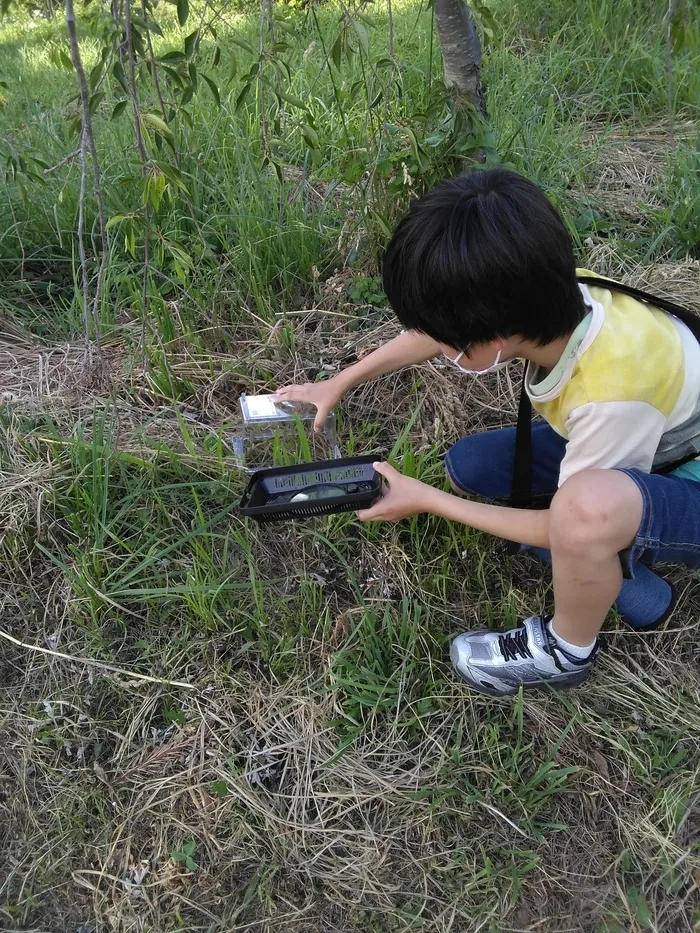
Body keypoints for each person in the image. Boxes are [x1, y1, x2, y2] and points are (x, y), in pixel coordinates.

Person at [275, 168, 700, 697]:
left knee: (584, 513)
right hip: (660, 438)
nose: (438, 344)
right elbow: (435, 334)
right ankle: (631, 581)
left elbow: (570, 521)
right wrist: (338, 383)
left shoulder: (613, 395)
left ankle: (567, 650)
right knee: (472, 470)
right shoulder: (553, 292)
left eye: (446, 336)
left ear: (491, 338)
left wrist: (427, 500)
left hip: (687, 473)